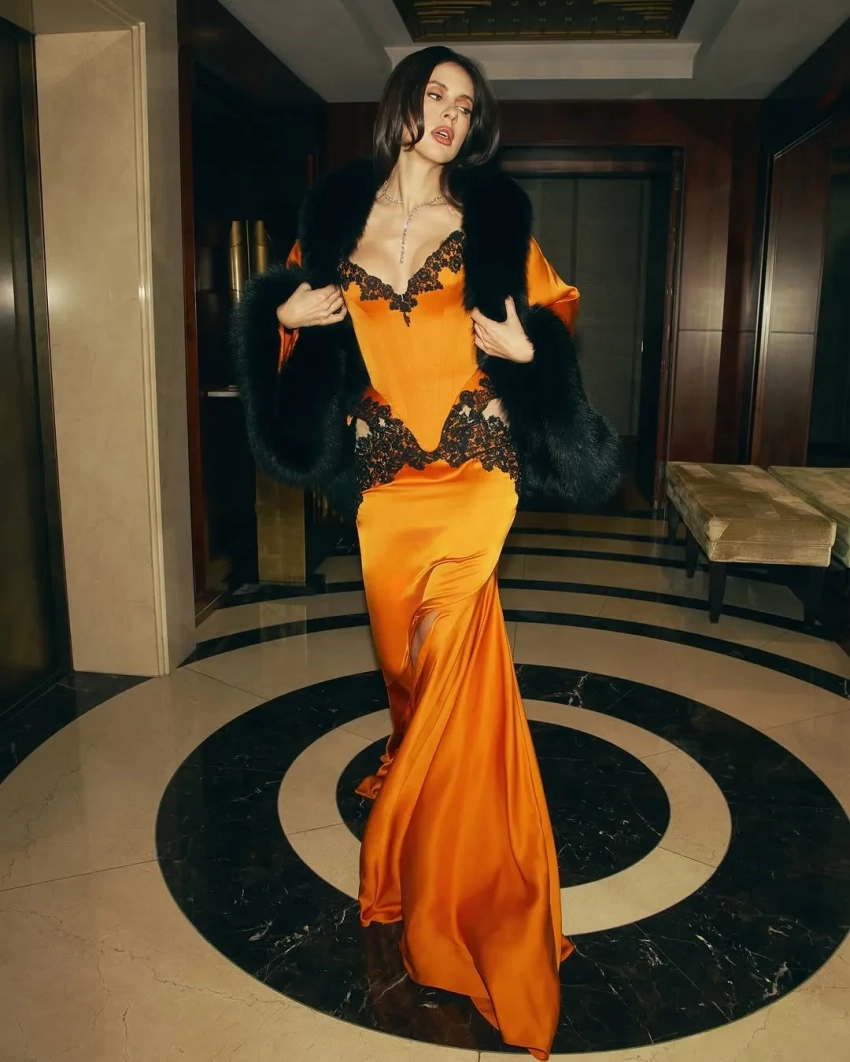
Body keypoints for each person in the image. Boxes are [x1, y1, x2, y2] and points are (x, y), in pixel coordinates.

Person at [232, 45, 619, 1061]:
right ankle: (419, 787)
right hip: (384, 490)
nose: (449, 115)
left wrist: (534, 352)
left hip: (479, 473)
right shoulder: (332, 225)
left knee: (452, 669)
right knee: (411, 675)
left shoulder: (491, 221)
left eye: (465, 106)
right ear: (402, 106)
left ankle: (462, 902)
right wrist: (280, 318)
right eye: (434, 96)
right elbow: (298, 362)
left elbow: (552, 313)